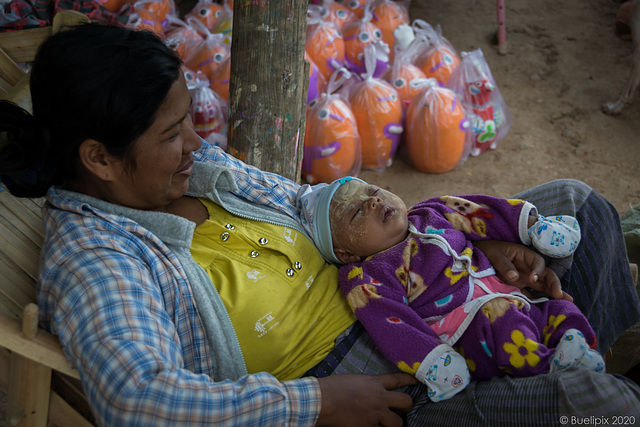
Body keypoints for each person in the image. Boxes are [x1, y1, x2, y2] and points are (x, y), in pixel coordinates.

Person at [0, 22, 638, 426]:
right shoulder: (98, 263)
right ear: (98, 158)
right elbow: (140, 401)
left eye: (188, 120)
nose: (198, 142)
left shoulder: (195, 173)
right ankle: (588, 387)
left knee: (578, 208)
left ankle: (576, 364)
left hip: (399, 279)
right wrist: (318, 404)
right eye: (172, 134)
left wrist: (463, 237)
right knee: (605, 406)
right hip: (383, 382)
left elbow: (315, 204)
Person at [296, 177, 605, 401]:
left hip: (517, 295)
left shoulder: (432, 211)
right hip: (472, 329)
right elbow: (392, 325)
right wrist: (432, 361)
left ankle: (575, 348)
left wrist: (534, 225)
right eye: (356, 213)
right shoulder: (366, 276)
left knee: (558, 306)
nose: (373, 201)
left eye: (373, 191)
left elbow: (481, 211)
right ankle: (552, 368)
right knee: (504, 323)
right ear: (346, 253)